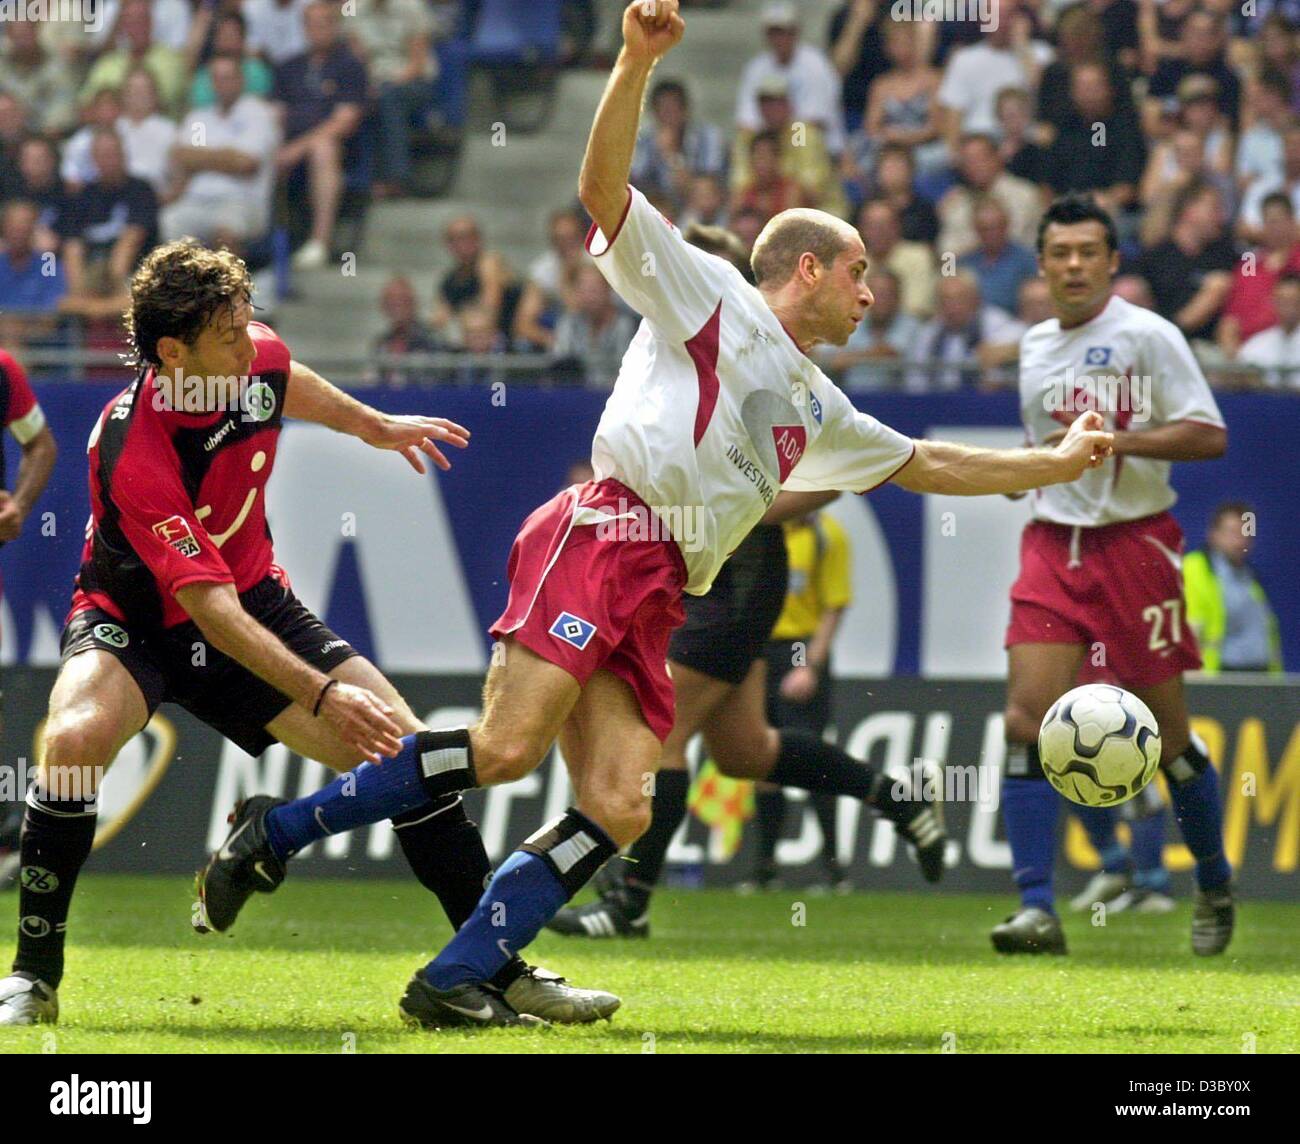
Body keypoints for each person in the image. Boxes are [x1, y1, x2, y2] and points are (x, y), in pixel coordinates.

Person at [202, 0, 1113, 1029]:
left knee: (623, 801)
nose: (871, 292)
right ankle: (272, 835)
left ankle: (457, 974)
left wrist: (1057, 458)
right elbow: (601, 192)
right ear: (805, 268)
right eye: (858, 271)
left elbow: (930, 464)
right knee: (504, 749)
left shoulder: (818, 401)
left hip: (661, 584)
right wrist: (634, 60)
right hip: (603, 531)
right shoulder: (713, 294)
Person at [0, 241, 615, 1028]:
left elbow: (291, 384)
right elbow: (209, 612)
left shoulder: (250, 361)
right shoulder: (134, 448)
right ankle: (33, 977)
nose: (249, 336)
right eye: (228, 331)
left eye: (246, 320)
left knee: (410, 758)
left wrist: (372, 425)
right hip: (137, 622)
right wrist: (322, 690)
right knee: (76, 739)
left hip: (254, 600)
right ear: (172, 353)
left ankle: (495, 968)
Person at [993, 192, 1236, 959]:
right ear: (1041, 264)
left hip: (1134, 548)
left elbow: (1209, 435)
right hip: (1051, 543)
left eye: (1087, 252)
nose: (1073, 266)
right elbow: (1047, 445)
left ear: (1111, 261)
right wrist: (1025, 470)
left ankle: (1214, 879)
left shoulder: (1148, 336)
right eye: (1060, 253)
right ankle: (1036, 907)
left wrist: (1119, 445)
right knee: (1026, 719)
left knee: (1166, 739)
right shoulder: (1032, 346)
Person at [751, 508, 854, 893]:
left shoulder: (827, 534)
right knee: (761, 760)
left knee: (811, 760)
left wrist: (810, 664)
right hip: (760, 648)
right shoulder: (761, 529)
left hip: (798, 649)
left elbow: (834, 605)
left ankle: (834, 870)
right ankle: (765, 869)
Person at [272, 0, 368, 270]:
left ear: (336, 26)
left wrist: (297, 148)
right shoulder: (288, 66)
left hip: (337, 151)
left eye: (325, 23)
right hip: (287, 146)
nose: (319, 30)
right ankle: (264, 242)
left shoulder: (350, 66)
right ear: (303, 28)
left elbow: (344, 122)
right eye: (312, 24)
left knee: (323, 147)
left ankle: (319, 241)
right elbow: (275, 114)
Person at [164, 55, 280, 251]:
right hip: (196, 200)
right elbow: (181, 157)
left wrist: (201, 159)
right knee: (169, 221)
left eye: (228, 77)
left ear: (241, 80)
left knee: (225, 228)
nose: (222, 83)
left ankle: (229, 282)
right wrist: (227, 156)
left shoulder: (258, 113)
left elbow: (246, 164)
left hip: (242, 201)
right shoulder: (200, 118)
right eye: (217, 78)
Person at [1184, 502, 1284, 673]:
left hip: (1261, 675)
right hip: (1220, 675)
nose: (1240, 540)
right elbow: (1189, 629)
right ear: (1213, 534)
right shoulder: (1195, 568)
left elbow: (1263, 631)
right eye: (1232, 532)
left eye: (1246, 533)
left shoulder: (1249, 577)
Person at [1237, 272, 1300, 385]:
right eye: (1283, 301)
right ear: (1273, 302)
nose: (1288, 307)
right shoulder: (1258, 344)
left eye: (1294, 301)